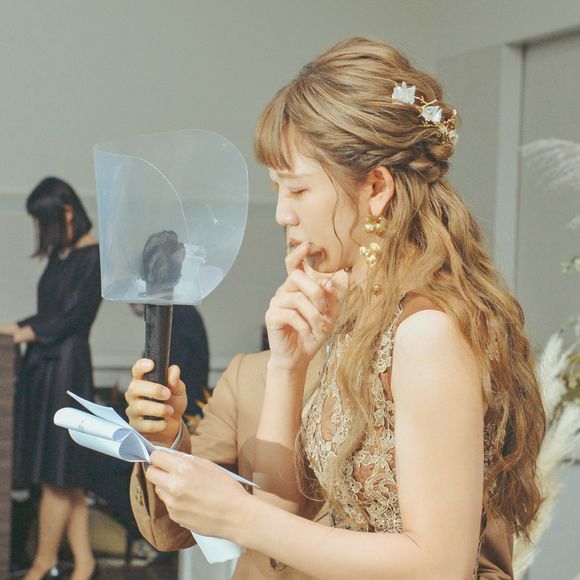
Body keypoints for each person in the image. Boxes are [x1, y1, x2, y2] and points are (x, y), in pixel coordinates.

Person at [125, 37, 545, 578]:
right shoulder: (362, 319)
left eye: (297, 190)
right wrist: (288, 365)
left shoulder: (427, 331)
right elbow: (280, 519)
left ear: (376, 188)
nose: (282, 214)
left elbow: (441, 565)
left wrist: (238, 515)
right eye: (277, 190)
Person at [0, 177, 101, 580]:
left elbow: (71, 317)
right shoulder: (63, 256)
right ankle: (85, 563)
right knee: (65, 478)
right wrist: (14, 327)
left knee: (57, 476)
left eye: (44, 221)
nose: (42, 231)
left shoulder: (94, 257)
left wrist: (23, 332)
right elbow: (49, 314)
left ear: (68, 212)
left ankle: (43, 562)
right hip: (47, 367)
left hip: (66, 370)